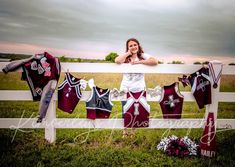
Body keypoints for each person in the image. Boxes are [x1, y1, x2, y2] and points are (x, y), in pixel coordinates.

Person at [115, 38, 158, 137]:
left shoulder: (143, 56)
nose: (133, 47)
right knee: (125, 109)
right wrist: (128, 53)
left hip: (139, 89)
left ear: (138, 45)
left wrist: (139, 62)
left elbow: (155, 61)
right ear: (128, 47)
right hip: (125, 88)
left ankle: (133, 132)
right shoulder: (125, 57)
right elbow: (117, 60)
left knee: (136, 111)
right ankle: (125, 132)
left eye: (135, 45)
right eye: (130, 45)